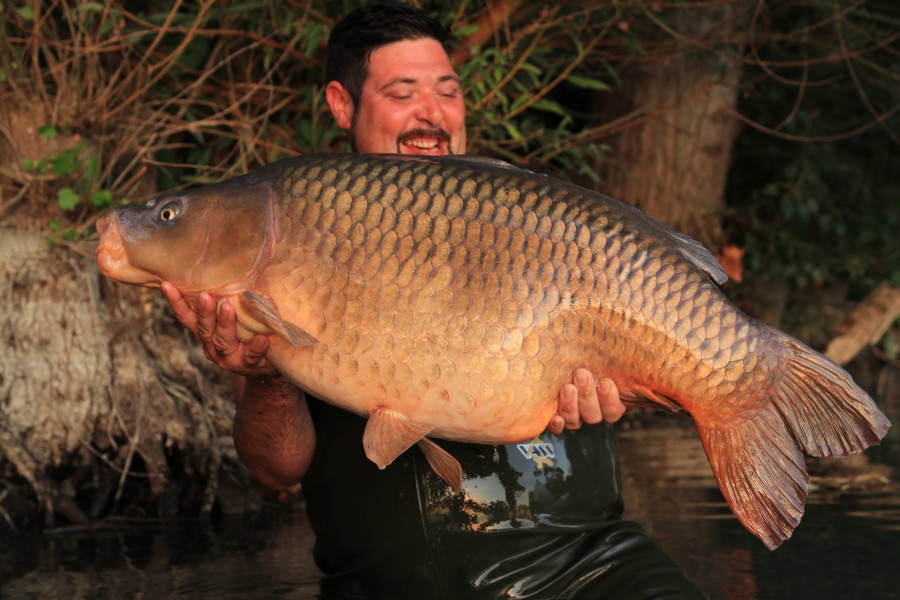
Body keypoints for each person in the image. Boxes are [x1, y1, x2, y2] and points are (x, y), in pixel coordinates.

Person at [163, 2, 706, 598]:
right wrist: (267, 376)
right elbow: (273, 472)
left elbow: (645, 354)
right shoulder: (287, 227)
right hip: (385, 586)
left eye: (448, 92)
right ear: (342, 104)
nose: (432, 113)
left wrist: (619, 389)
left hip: (586, 569)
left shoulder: (540, 214)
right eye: (402, 93)